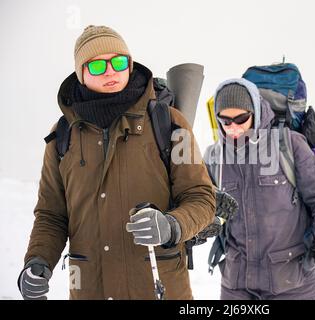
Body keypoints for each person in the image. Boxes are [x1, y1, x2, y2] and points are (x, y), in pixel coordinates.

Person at [18, 25, 215, 300]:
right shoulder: (62, 136)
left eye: (119, 62)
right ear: (81, 73)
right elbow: (52, 215)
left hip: (160, 288)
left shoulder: (169, 123)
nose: (111, 71)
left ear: (130, 65)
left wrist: (172, 225)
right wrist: (37, 261)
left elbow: (201, 197)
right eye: (98, 66)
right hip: (90, 289)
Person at [204, 78, 315, 300]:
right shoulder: (214, 157)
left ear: (255, 112)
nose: (234, 128)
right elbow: (201, 207)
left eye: (241, 119)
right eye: (226, 121)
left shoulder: (289, 145)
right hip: (236, 286)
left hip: (293, 284)